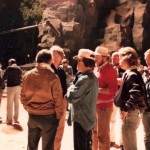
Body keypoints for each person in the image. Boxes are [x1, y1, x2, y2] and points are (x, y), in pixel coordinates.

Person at [20, 49, 64, 150]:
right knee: (47, 147)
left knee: (31, 146)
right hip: (48, 116)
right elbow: (58, 99)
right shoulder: (53, 77)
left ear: (37, 60)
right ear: (50, 61)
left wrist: (30, 109)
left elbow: (22, 97)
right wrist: (58, 116)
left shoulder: (27, 75)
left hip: (32, 116)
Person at [114, 47, 147, 150]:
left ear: (127, 58)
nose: (119, 60)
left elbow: (136, 94)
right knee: (127, 143)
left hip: (130, 113)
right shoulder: (130, 73)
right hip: (130, 113)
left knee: (130, 145)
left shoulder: (132, 74)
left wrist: (126, 108)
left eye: (120, 57)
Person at [65, 49, 98, 150]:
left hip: (82, 120)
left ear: (85, 62)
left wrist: (70, 86)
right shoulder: (90, 77)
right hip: (87, 119)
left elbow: (70, 97)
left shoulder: (85, 79)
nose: (77, 63)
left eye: (79, 60)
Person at [92, 46, 118, 150]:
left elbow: (113, 89)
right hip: (95, 106)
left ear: (105, 58)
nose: (95, 59)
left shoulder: (110, 70)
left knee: (102, 136)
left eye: (97, 57)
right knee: (94, 134)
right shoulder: (97, 68)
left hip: (104, 108)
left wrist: (96, 90)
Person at [49, 45, 67, 150]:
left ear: (61, 58)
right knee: (51, 131)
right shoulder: (48, 70)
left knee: (60, 130)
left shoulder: (61, 71)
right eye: (53, 55)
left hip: (61, 102)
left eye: (58, 56)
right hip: (50, 103)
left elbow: (64, 88)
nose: (55, 58)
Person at [110, 52, 124, 148]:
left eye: (116, 58)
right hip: (113, 97)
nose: (114, 60)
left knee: (123, 120)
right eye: (113, 58)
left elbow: (124, 81)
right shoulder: (109, 69)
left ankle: (122, 142)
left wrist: (115, 80)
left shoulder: (124, 68)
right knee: (112, 120)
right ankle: (111, 140)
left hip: (123, 97)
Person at [3, 58, 22, 125]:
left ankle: (9, 120)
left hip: (11, 87)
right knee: (16, 104)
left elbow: (4, 77)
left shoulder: (9, 68)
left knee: (9, 104)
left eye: (9, 63)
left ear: (10, 63)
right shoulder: (19, 68)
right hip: (18, 87)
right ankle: (16, 119)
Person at [142, 49, 150, 150]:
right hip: (146, 109)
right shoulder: (144, 74)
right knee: (147, 136)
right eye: (146, 59)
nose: (148, 61)